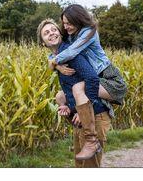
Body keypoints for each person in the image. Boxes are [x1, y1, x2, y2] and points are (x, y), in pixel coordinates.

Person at [38, 19, 110, 165]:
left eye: (54, 29)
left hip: (94, 115)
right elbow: (71, 85)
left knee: (90, 167)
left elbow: (92, 79)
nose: (51, 33)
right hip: (82, 118)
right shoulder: (57, 57)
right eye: (46, 33)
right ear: (43, 43)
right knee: (79, 164)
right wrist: (67, 106)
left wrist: (81, 111)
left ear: (60, 33)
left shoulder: (71, 53)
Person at [49, 4, 129, 114]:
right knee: (60, 96)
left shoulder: (89, 32)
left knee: (78, 89)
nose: (66, 26)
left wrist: (53, 62)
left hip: (109, 78)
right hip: (93, 78)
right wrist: (57, 65)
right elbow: (58, 50)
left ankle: (84, 117)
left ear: (78, 20)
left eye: (69, 23)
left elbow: (71, 51)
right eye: (64, 23)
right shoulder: (70, 35)